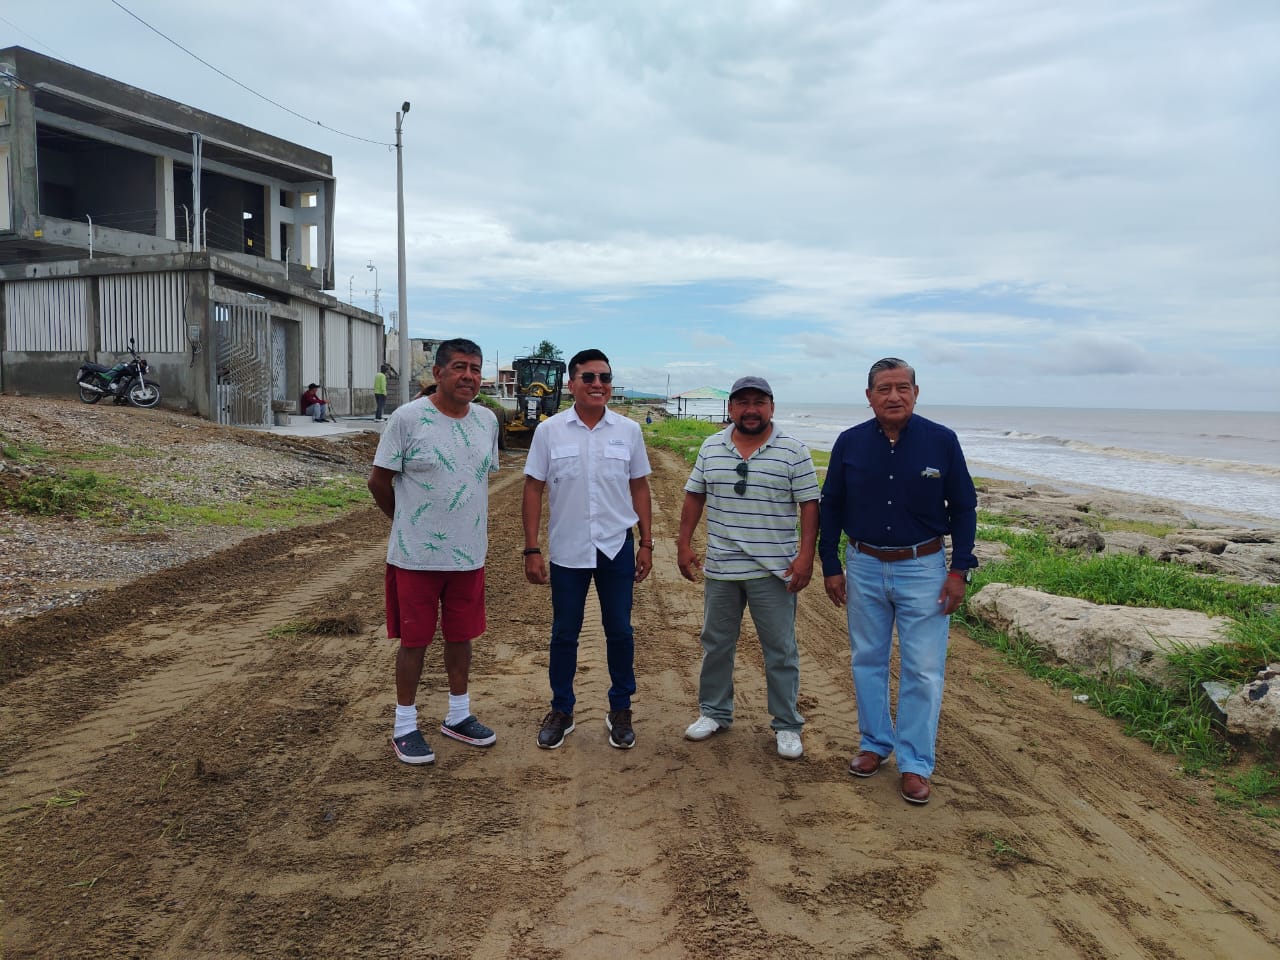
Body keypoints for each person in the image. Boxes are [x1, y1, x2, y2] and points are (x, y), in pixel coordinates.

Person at [818, 358, 977, 805]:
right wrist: (830, 564)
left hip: (923, 567)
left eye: (902, 387)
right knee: (867, 659)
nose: (894, 396)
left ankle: (915, 763)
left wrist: (959, 570)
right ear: (869, 396)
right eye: (884, 388)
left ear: (916, 392)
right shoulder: (849, 442)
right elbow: (832, 505)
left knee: (923, 669)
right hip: (863, 565)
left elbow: (964, 508)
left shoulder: (942, 441)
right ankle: (874, 743)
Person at [367, 338, 501, 765]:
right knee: (415, 641)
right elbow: (378, 482)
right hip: (416, 558)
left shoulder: (487, 421)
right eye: (460, 367)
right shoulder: (407, 419)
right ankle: (405, 726)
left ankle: (458, 715)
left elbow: (476, 478)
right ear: (438, 373)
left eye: (475, 369)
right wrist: (407, 523)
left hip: (468, 556)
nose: (469, 376)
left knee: (462, 636)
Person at [677, 376, 819, 759]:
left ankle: (786, 724)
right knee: (716, 644)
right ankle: (714, 712)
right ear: (731, 408)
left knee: (780, 650)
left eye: (759, 402)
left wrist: (806, 555)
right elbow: (694, 495)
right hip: (722, 567)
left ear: (772, 406)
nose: (751, 410)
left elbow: (809, 504)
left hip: (774, 569)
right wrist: (684, 543)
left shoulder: (794, 450)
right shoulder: (711, 446)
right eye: (742, 403)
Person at [522, 348, 654, 750]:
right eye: (589, 377)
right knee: (565, 633)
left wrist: (647, 542)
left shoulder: (628, 431)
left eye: (605, 378)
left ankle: (620, 709)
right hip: (568, 548)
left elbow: (639, 486)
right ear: (572, 384)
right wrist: (531, 548)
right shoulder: (549, 431)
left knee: (620, 631)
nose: (598, 384)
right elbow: (533, 488)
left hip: (616, 546)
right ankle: (561, 709)